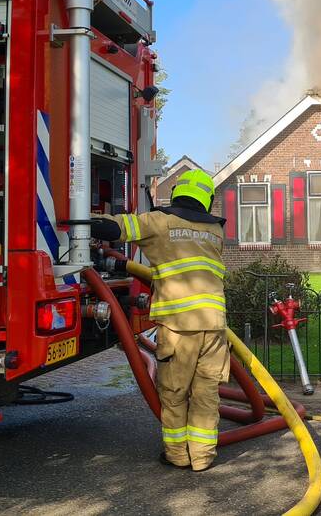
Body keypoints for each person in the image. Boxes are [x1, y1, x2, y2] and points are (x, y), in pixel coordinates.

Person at [87, 168, 229, 472]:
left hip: (179, 327)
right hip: (215, 327)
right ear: (207, 199)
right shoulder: (216, 230)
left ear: (177, 193)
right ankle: (202, 457)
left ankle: (177, 455)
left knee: (175, 393)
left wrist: (77, 218)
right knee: (206, 394)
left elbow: (114, 228)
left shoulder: (160, 222)